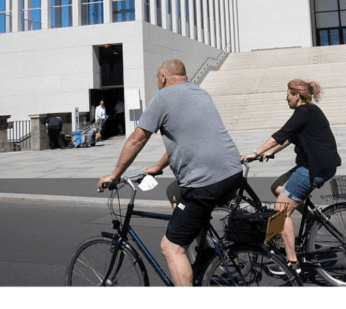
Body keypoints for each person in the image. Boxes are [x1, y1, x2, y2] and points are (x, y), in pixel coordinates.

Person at [98, 59, 242, 287]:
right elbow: (187, 138)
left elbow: (137, 139)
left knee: (171, 247)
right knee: (174, 191)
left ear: (163, 77)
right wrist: (158, 166)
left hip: (205, 183)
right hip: (233, 173)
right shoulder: (201, 93)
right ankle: (204, 250)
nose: (158, 83)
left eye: (157, 79)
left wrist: (115, 174)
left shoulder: (164, 97)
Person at [241, 79, 341, 273]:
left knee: (281, 209)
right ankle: (311, 219)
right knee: (277, 187)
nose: (285, 97)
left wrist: (256, 151)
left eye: (288, 94)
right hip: (314, 165)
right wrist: (270, 153)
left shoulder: (304, 112)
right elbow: (289, 138)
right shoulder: (309, 112)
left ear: (297, 95)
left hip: (314, 168)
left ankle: (292, 262)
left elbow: (280, 134)